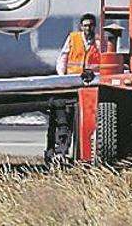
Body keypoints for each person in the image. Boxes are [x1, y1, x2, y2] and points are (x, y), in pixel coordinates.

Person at [49, 13, 105, 162]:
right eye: (85, 25)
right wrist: (62, 78)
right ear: (81, 27)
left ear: (94, 26)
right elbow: (63, 57)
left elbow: (103, 62)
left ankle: (85, 154)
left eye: (91, 25)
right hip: (72, 83)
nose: (88, 28)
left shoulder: (99, 42)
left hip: (90, 85)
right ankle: (61, 151)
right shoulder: (73, 38)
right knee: (65, 119)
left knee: (86, 120)